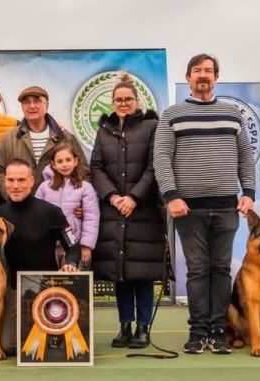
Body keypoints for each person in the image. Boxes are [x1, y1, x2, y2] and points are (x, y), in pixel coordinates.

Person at [153, 54, 255, 354]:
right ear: (188, 78)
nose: (203, 75)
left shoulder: (233, 114)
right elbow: (161, 158)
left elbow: (246, 157)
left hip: (227, 207)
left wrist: (248, 192)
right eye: (197, 70)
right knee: (197, 270)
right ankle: (198, 333)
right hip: (188, 208)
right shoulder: (172, 115)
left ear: (216, 77)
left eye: (208, 71)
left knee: (221, 269)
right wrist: (171, 195)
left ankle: (218, 332)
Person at [0, 159, 80, 353]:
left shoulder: (52, 212)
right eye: (11, 180)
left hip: (45, 288)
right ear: (5, 181)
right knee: (8, 346)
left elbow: (73, 245)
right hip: (13, 289)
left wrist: (71, 263)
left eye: (21, 180)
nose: (15, 186)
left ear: (31, 181)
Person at [89, 73, 165, 349]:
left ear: (137, 100)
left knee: (142, 273)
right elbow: (96, 167)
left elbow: (155, 167)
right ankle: (124, 326)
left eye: (128, 99)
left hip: (143, 212)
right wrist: (111, 196)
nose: (123, 104)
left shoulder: (152, 126)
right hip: (113, 212)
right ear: (112, 102)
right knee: (119, 272)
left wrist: (133, 197)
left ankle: (143, 327)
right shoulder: (104, 131)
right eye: (118, 100)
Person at [0, 85, 87, 198]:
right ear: (22, 107)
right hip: (20, 206)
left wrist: (77, 199)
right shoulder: (7, 139)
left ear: (47, 105)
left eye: (37, 101)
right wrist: (12, 195)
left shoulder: (66, 138)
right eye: (26, 102)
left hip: (58, 205)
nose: (32, 106)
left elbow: (83, 172)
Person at [34, 142, 99, 269]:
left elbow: (91, 218)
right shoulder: (44, 187)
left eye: (68, 160)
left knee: (72, 278)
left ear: (76, 161)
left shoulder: (85, 187)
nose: (64, 164)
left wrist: (86, 245)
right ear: (53, 164)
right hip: (49, 246)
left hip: (75, 246)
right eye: (60, 161)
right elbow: (35, 214)